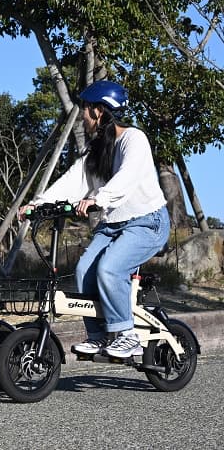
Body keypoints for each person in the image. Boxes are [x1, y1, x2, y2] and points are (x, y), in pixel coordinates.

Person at [19, 80, 169, 359]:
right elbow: (73, 181)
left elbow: (127, 177)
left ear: (100, 111)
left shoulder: (133, 139)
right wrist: (37, 204)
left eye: (86, 110)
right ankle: (99, 336)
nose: (83, 117)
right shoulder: (97, 150)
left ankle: (127, 335)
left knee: (109, 269)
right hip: (113, 225)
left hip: (147, 222)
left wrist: (98, 199)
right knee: (83, 271)